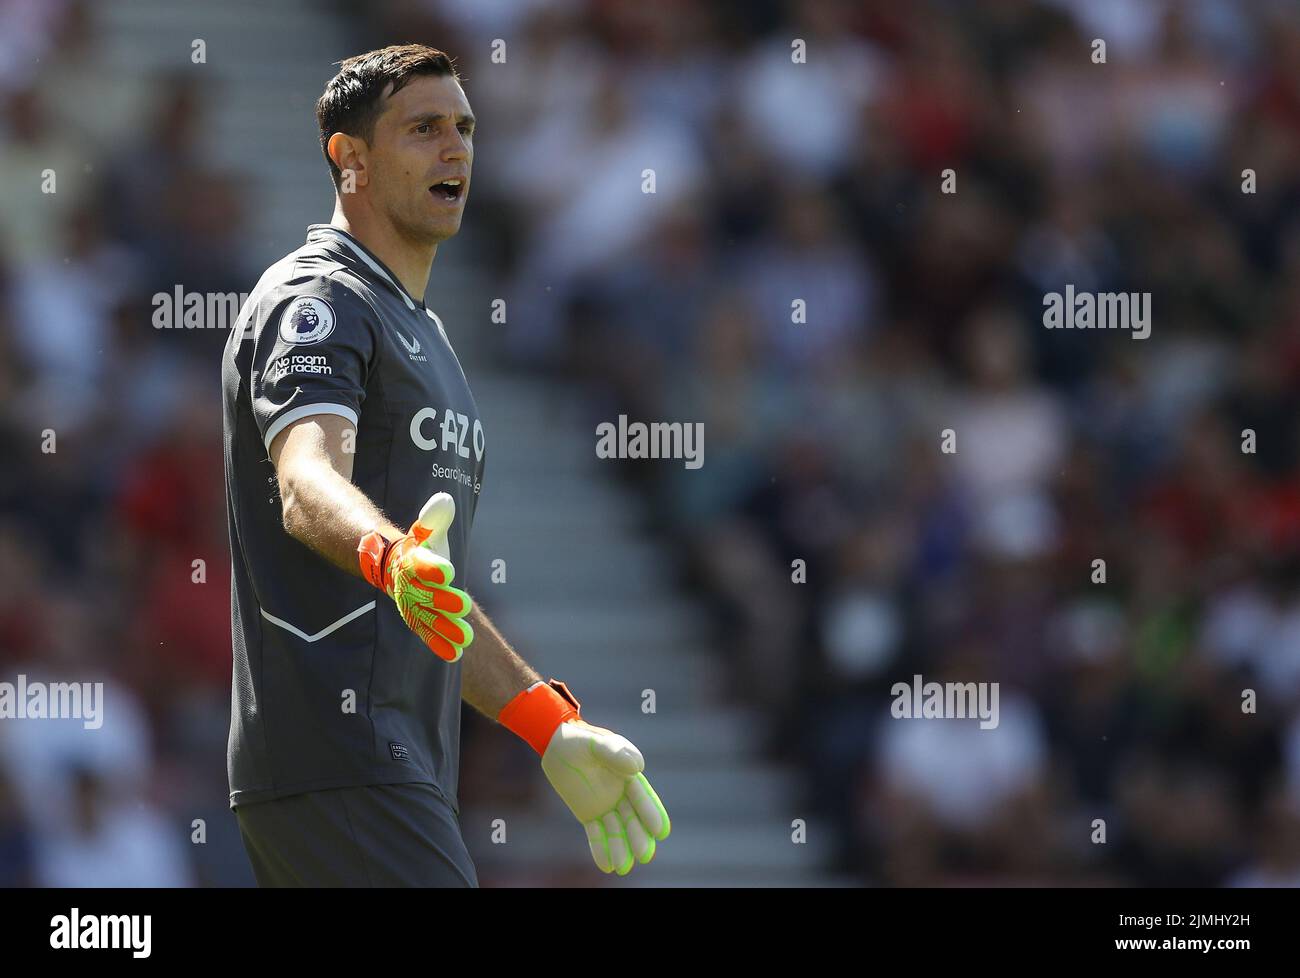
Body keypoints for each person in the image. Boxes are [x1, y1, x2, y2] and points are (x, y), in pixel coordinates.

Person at [220, 44, 669, 887]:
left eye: (464, 127)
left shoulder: (424, 334)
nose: (456, 148)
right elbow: (305, 480)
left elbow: (434, 599)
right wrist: (388, 557)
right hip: (341, 751)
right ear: (349, 160)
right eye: (423, 129)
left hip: (395, 760)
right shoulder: (320, 298)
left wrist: (543, 721)